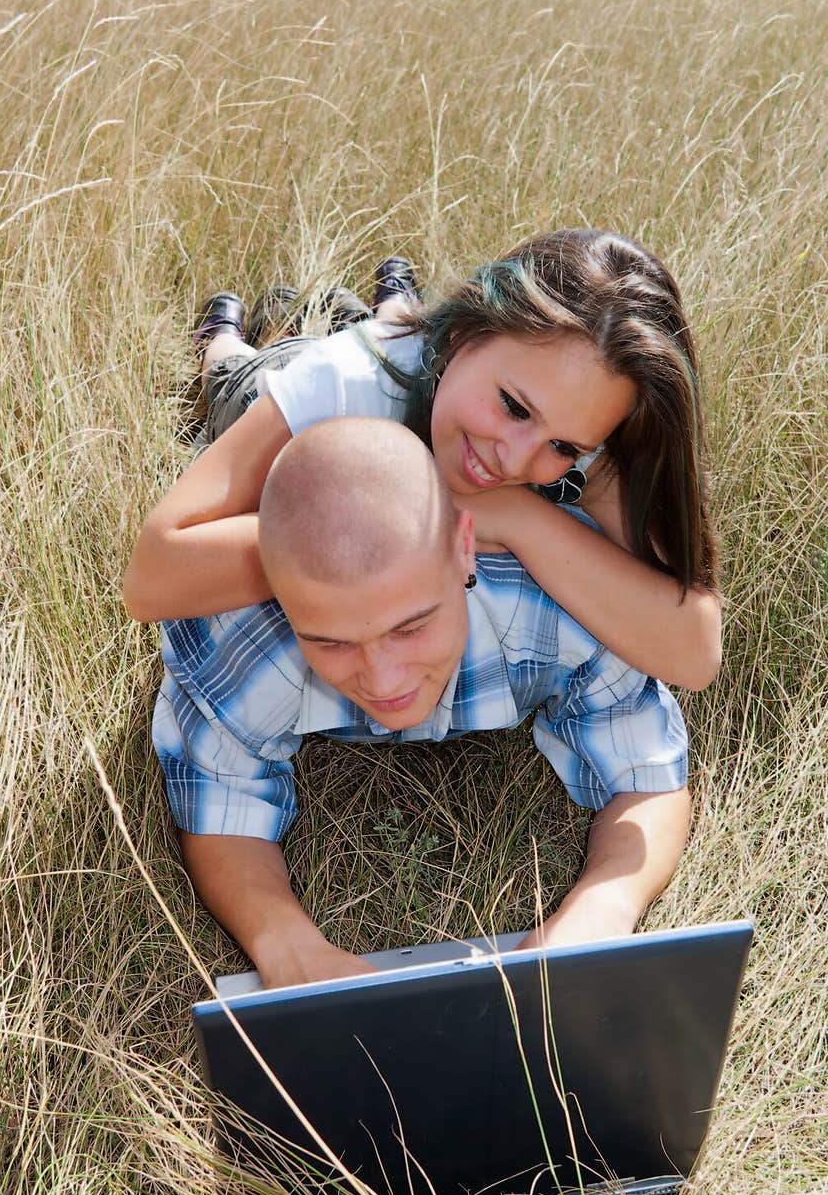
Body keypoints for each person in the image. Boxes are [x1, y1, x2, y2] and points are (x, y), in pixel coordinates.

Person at [152, 416, 690, 990]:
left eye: (411, 627)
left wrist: (604, 907)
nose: (383, 679)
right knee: (234, 381)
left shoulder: (558, 609)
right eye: (330, 642)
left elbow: (647, 771)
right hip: (274, 408)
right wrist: (281, 938)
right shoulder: (249, 642)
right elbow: (220, 795)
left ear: (465, 549)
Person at [123, 230, 722, 692]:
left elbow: (693, 652)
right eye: (513, 407)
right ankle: (223, 333)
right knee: (240, 375)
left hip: (416, 362)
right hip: (283, 382)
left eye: (563, 447)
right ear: (464, 334)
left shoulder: (587, 433)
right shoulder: (340, 380)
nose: (514, 459)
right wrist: (393, 527)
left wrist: (516, 517)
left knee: (390, 335)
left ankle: (394, 304)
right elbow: (151, 580)